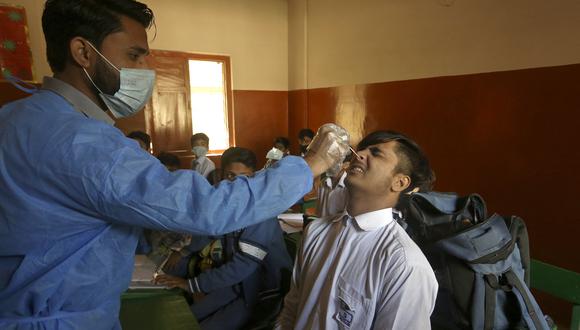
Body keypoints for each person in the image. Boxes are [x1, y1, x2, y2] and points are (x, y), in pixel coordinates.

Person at [0, 1, 347, 328]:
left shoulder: (16, 119)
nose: (145, 70)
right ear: (83, 52)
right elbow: (208, 208)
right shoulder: (83, 143)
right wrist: (311, 163)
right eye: (134, 56)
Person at [278, 130, 438, 329]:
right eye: (361, 149)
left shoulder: (405, 265)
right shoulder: (316, 231)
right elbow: (292, 308)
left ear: (399, 182)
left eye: (376, 153)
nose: (359, 155)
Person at [155, 147, 293, 329]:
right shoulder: (229, 204)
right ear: (221, 175)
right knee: (185, 319)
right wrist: (184, 252)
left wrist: (191, 285)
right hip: (237, 285)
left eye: (246, 177)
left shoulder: (261, 213)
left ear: (255, 176)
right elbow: (213, 231)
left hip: (260, 292)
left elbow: (242, 266)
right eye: (230, 176)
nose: (238, 184)